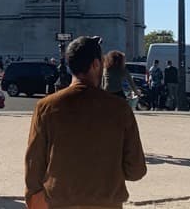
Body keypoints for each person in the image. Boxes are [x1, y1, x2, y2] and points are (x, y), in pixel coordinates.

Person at [25, 36, 146, 209]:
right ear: (96, 64)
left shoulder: (46, 107)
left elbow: (33, 162)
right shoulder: (120, 108)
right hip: (106, 203)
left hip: (60, 202)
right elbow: (136, 170)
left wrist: (34, 197)